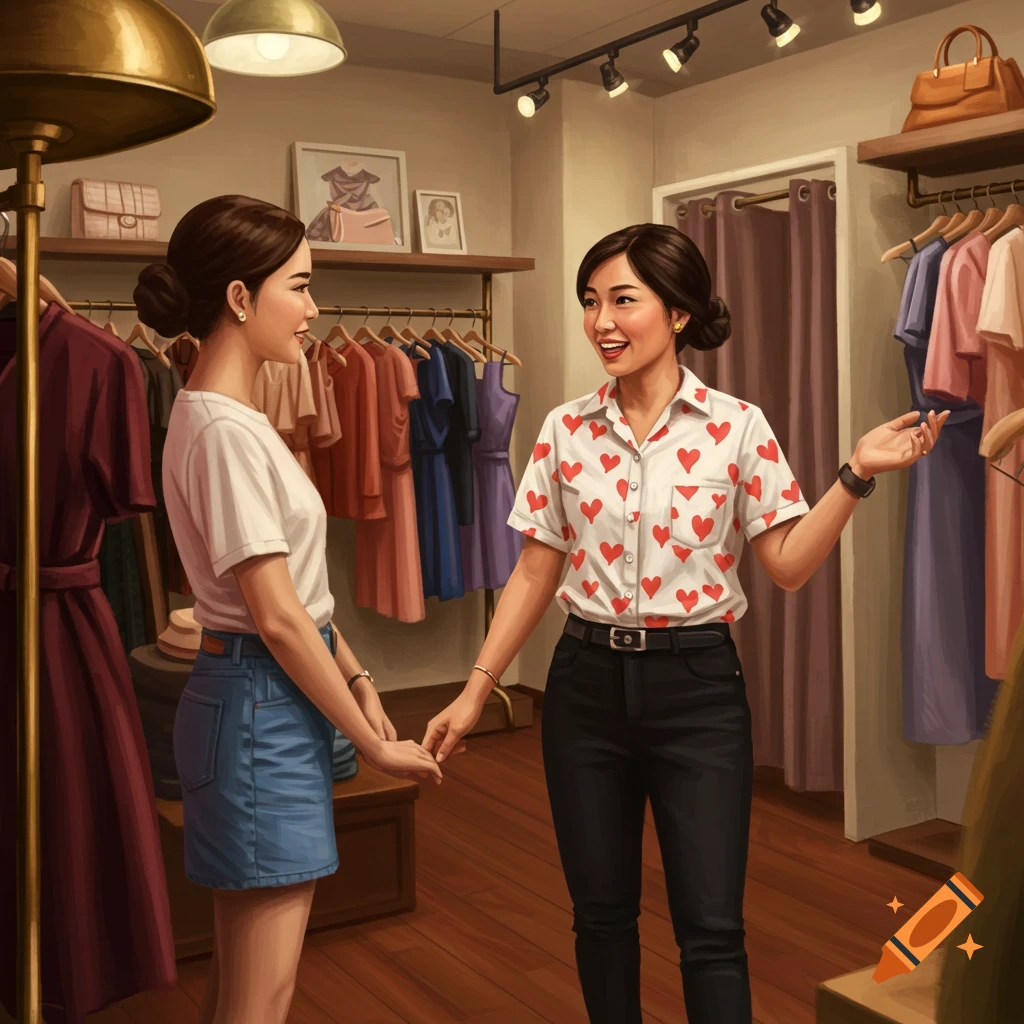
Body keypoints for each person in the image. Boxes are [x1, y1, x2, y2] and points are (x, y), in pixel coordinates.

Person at [422, 222, 948, 1024]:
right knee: (599, 917)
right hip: (584, 687)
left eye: (623, 300)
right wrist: (476, 689)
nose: (601, 320)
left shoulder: (738, 428)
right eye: (590, 301)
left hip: (699, 691)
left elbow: (788, 564)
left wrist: (855, 474)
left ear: (676, 314)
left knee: (711, 928)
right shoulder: (565, 430)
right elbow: (537, 569)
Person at [135, 195, 443, 1024]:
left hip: (257, 701)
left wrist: (358, 673)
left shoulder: (225, 417)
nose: (314, 310)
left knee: (241, 984)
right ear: (240, 297)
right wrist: (371, 742)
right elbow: (272, 616)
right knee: (260, 998)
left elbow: (295, 601)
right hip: (260, 708)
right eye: (300, 287)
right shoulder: (225, 431)